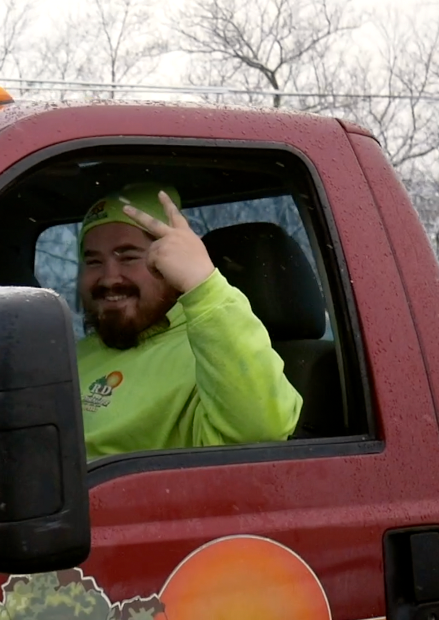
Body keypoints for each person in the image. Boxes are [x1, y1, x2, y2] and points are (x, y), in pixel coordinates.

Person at [76, 183, 301, 460]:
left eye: (129, 257)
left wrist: (203, 285)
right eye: (93, 262)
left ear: (169, 264)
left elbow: (259, 434)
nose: (109, 278)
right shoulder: (75, 353)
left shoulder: (211, 358)